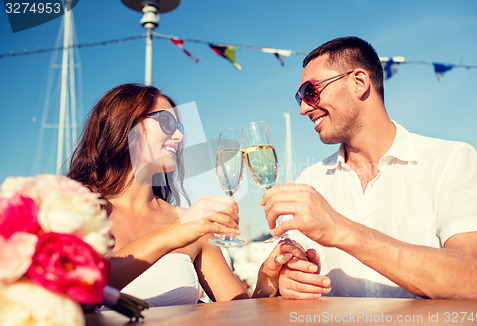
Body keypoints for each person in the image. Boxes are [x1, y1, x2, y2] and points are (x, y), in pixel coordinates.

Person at [261, 36, 477, 301]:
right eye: (300, 98)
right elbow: (279, 272)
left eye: (310, 91)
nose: (304, 108)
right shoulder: (310, 180)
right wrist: (284, 276)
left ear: (359, 82)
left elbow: (476, 283)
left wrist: (341, 229)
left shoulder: (453, 161)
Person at [67, 83, 318, 306]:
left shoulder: (192, 224)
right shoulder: (74, 207)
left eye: (179, 126)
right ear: (125, 125)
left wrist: (268, 277)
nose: (179, 135)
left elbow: (239, 312)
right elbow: (74, 290)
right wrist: (173, 233)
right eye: (166, 123)